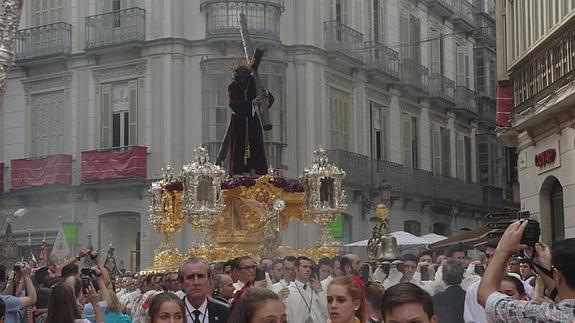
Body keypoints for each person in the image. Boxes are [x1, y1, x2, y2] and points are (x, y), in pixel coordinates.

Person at [478, 221, 575, 322]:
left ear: (557, 275)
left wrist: (503, 250)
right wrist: (540, 267)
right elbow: (563, 298)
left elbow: (485, 295)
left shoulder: (543, 315)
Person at [222, 63, 275, 176]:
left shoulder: (254, 84)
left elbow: (267, 99)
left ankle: (258, 171)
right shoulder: (233, 87)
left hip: (252, 121)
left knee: (256, 146)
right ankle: (238, 173)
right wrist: (251, 104)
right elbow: (233, 104)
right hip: (238, 122)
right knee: (238, 148)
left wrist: (266, 95)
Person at [179, 257, 229, 323]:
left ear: (210, 280)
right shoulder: (173, 312)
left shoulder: (224, 312)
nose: (196, 282)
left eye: (200, 276)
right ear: (181, 282)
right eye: (190, 277)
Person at [284, 256, 328, 322]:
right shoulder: (288, 291)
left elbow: (327, 311)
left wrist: (320, 292)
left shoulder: (319, 288)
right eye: (304, 267)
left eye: (310, 267)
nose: (308, 269)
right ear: (296, 269)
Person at [463, 240, 496, 323]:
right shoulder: (473, 289)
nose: (490, 261)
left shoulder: (518, 285)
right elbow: (469, 320)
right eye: (488, 256)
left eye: (495, 256)